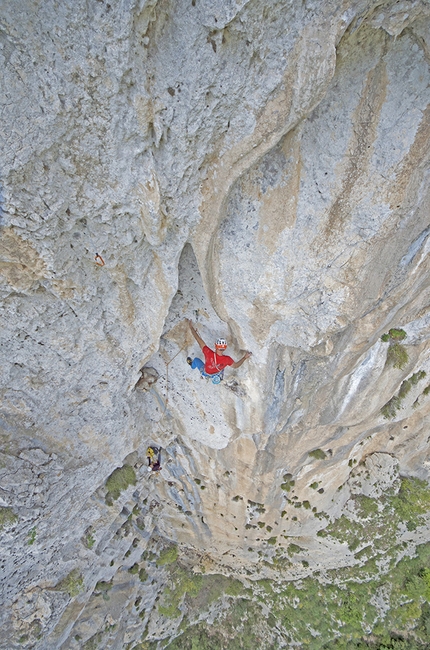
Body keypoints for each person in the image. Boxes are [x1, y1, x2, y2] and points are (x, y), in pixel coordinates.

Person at [186, 319, 252, 383]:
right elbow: (236, 366)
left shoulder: (208, 353)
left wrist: (191, 328)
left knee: (196, 360)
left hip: (206, 372)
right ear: (225, 348)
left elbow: (199, 341)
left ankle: (192, 365)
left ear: (215, 346)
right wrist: (245, 357)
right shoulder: (227, 359)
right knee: (221, 367)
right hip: (216, 374)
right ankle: (213, 377)